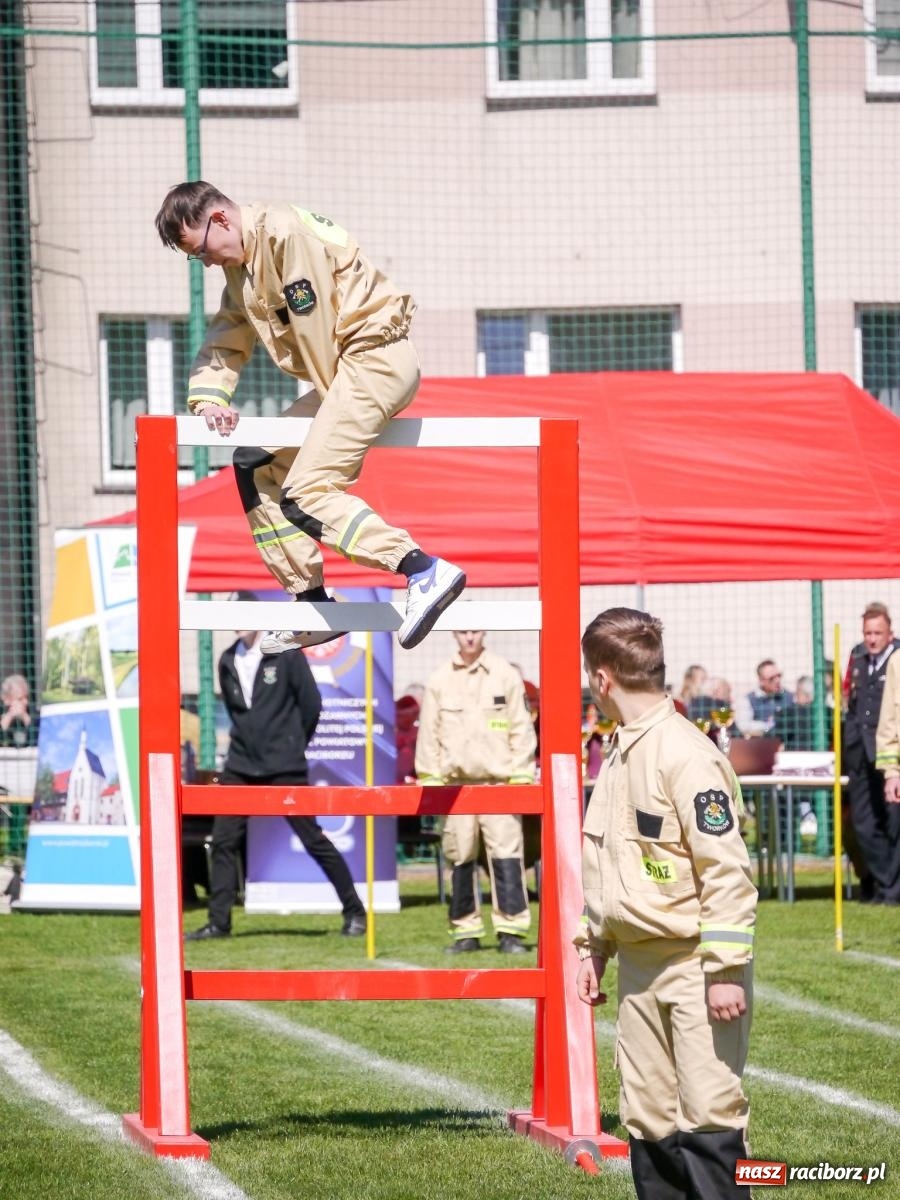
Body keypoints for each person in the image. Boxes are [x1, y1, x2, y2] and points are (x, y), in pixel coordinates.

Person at [154, 181, 465, 654]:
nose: (206, 263)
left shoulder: (285, 236)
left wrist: (333, 429)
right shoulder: (244, 265)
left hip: (370, 362)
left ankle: (421, 568)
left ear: (219, 219)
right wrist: (209, 399)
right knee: (254, 463)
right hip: (342, 374)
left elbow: (318, 332)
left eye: (200, 251)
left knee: (306, 491)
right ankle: (311, 601)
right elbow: (229, 334)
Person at [575, 607, 756, 1200]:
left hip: (694, 967)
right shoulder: (621, 751)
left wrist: (725, 971)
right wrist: (593, 947)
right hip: (637, 969)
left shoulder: (686, 754)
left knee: (709, 1117)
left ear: (603, 678)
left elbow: (726, 869)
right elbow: (608, 865)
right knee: (648, 1120)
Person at [185, 620, 367, 940]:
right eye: (232, 616)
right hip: (240, 767)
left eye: (243, 616)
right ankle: (218, 923)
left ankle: (355, 912)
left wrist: (292, 746)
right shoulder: (227, 659)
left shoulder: (286, 654)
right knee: (224, 842)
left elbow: (312, 703)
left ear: (257, 619)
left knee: (313, 839)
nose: (237, 625)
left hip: (285, 766)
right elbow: (237, 712)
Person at [416, 630, 535, 954]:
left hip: (500, 784)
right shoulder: (440, 680)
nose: (469, 637)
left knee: (507, 857)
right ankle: (465, 931)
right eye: (464, 631)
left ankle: (511, 931)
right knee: (460, 857)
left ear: (484, 633)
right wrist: (431, 782)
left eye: (475, 631)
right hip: (455, 788)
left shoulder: (505, 675)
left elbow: (521, 728)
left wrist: (521, 778)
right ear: (454, 633)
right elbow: (429, 733)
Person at [844, 602, 900, 906]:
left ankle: (892, 889)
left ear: (890, 633)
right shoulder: (857, 655)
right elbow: (850, 699)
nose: (872, 639)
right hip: (860, 750)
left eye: (878, 632)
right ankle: (883, 882)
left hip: (890, 750)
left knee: (893, 821)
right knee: (864, 823)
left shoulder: (898, 657)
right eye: (868, 633)